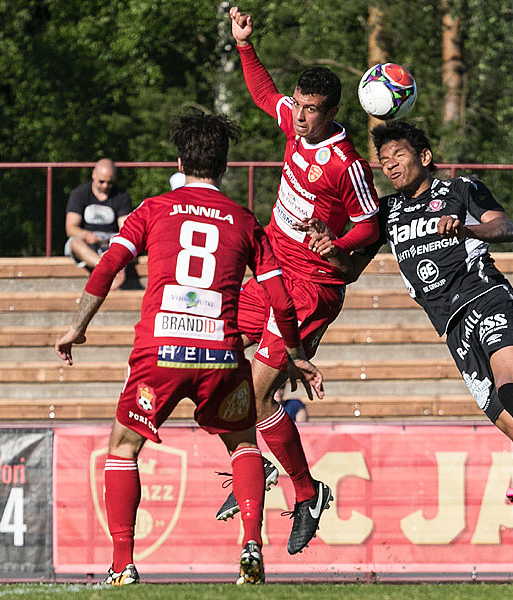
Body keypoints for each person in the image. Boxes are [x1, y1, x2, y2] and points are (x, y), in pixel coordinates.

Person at [300, 120, 513, 586]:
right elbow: (350, 269)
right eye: (383, 160)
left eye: (398, 154)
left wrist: (467, 225)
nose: (389, 164)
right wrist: (327, 247)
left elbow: (506, 226)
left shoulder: (459, 189)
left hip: (487, 299)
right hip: (453, 331)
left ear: (425, 155)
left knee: (511, 383)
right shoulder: (387, 212)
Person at [54, 111, 324, 586]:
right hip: (220, 353)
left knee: (123, 447)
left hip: (160, 353)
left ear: (180, 161)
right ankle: (251, 548)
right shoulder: (245, 221)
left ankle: (122, 566)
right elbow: (279, 298)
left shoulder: (152, 208)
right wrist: (297, 352)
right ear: (224, 166)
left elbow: (106, 269)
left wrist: (78, 327)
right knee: (242, 442)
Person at [215, 6, 381, 556]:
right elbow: (265, 96)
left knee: (258, 394)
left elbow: (370, 224)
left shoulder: (344, 162)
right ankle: (267, 471)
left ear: (332, 112)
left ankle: (301, 491)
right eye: (301, 107)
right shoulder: (292, 122)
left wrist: (338, 245)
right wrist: (244, 45)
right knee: (212, 355)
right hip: (269, 267)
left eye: (312, 110)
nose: (302, 117)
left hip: (310, 284)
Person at [64, 158, 141, 290]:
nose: (105, 186)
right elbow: (70, 228)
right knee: (74, 243)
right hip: (87, 243)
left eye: (109, 182)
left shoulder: (122, 196)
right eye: (101, 181)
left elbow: (125, 229)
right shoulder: (79, 194)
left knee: (127, 245)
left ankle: (109, 268)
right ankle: (107, 269)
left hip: (111, 242)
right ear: (94, 174)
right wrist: (86, 235)